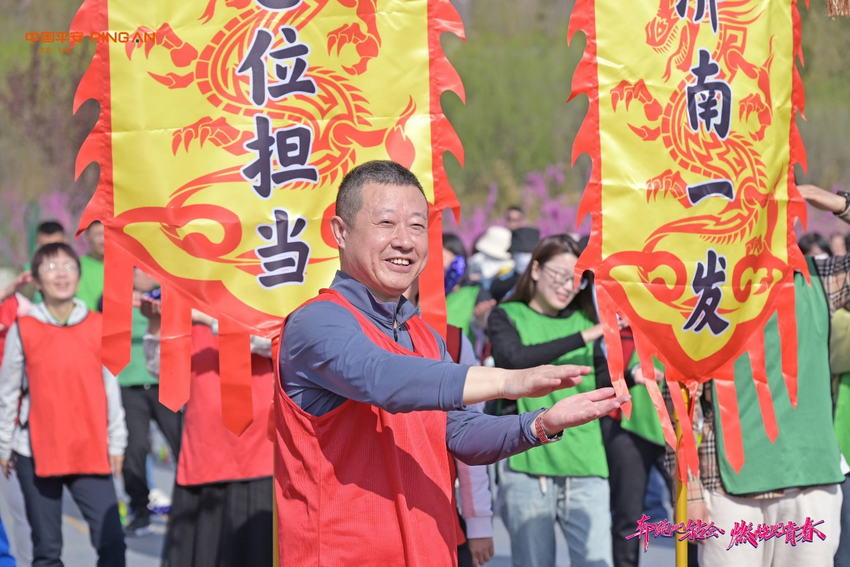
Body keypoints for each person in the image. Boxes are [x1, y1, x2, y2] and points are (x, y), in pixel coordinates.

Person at [276, 160, 630, 565]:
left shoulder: (424, 336)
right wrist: (509, 381)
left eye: (416, 226)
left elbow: (460, 432)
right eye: (386, 223)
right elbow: (382, 378)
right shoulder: (316, 321)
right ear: (341, 232)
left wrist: (541, 423)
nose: (405, 241)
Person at [663, 183, 849, 567]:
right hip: (729, 490)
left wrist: (840, 204)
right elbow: (679, 397)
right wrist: (689, 483)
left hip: (810, 481)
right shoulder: (703, 293)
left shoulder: (815, 279)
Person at [487, 234, 620, 567]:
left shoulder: (588, 322)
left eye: (576, 281)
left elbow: (603, 386)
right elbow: (516, 360)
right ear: (535, 269)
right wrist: (586, 336)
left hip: (586, 465)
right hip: (528, 467)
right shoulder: (506, 316)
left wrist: (632, 377)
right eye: (560, 276)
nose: (567, 287)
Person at [0, 242, 127, 567]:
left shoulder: (98, 324)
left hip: (90, 449)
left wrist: (117, 441)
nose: (61, 274)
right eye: (51, 267)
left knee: (112, 541)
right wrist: (4, 446)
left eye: (68, 266)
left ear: (78, 275)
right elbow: (8, 391)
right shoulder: (23, 328)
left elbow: (110, 388)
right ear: (37, 282)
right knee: (47, 549)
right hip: (35, 451)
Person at [139, 301, 274, 567]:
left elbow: (273, 340)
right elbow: (163, 372)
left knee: (257, 552)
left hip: (259, 450)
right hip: (204, 446)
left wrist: (207, 317)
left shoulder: (258, 290)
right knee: (202, 553)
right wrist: (155, 323)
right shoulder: (188, 295)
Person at [120, 269, 183, 537]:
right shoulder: (114, 299)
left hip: (166, 382)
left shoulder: (173, 296)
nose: (143, 274)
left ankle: (186, 508)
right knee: (135, 448)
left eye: (148, 267)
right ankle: (140, 511)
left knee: (183, 443)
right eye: (136, 268)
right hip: (131, 386)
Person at [76, 221, 105, 312]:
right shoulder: (77, 266)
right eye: (97, 235)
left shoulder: (125, 267)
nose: (102, 240)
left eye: (106, 235)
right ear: (87, 236)